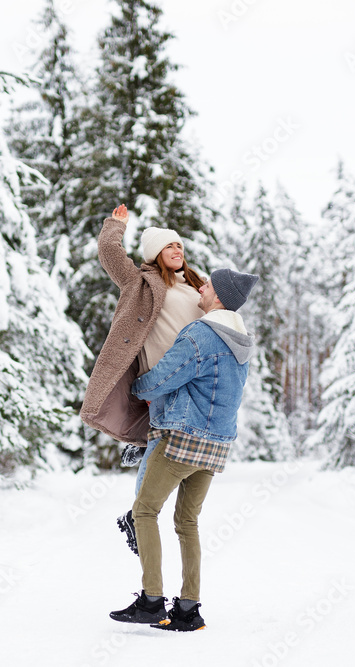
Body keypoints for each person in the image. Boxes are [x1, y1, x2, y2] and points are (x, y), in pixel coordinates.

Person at [108, 267, 259, 632]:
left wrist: (136, 389)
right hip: (217, 444)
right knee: (187, 522)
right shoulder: (241, 339)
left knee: (144, 510)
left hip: (185, 437)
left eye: (207, 285)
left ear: (219, 297)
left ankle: (151, 600)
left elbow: (166, 375)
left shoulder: (202, 333)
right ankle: (189, 609)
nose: (200, 288)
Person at [78, 204, 206, 554]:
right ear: (155, 254)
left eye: (179, 245)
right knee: (161, 441)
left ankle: (142, 465)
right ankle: (139, 515)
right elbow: (109, 252)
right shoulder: (140, 283)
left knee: (174, 447)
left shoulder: (199, 286)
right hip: (160, 380)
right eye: (169, 246)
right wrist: (115, 226)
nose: (177, 251)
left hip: (193, 380)